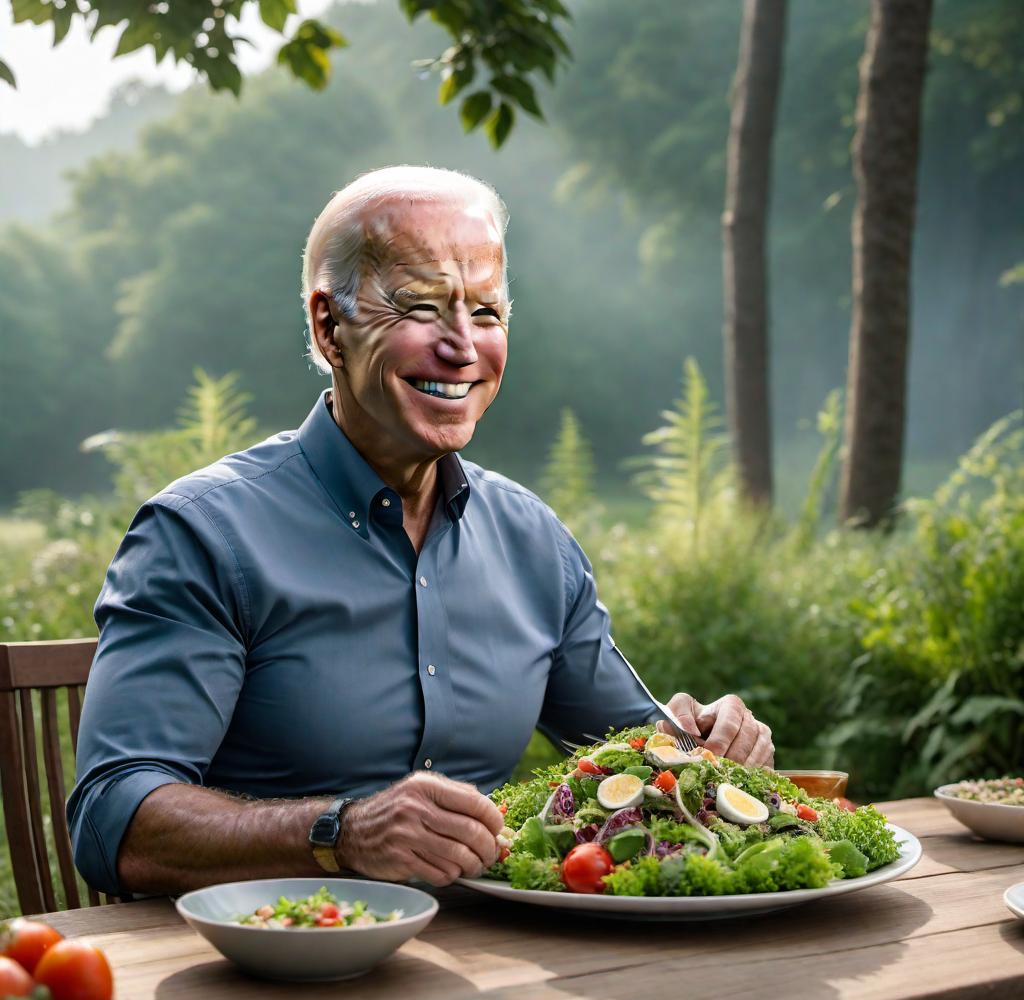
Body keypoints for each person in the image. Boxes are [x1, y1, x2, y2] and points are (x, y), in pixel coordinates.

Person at [68, 166, 774, 897]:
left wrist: (706, 741)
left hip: (484, 969)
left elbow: (639, 757)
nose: (463, 346)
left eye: (488, 313)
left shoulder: (534, 544)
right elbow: (112, 819)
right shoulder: (204, 535)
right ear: (327, 325)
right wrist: (342, 834)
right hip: (259, 968)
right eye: (421, 307)